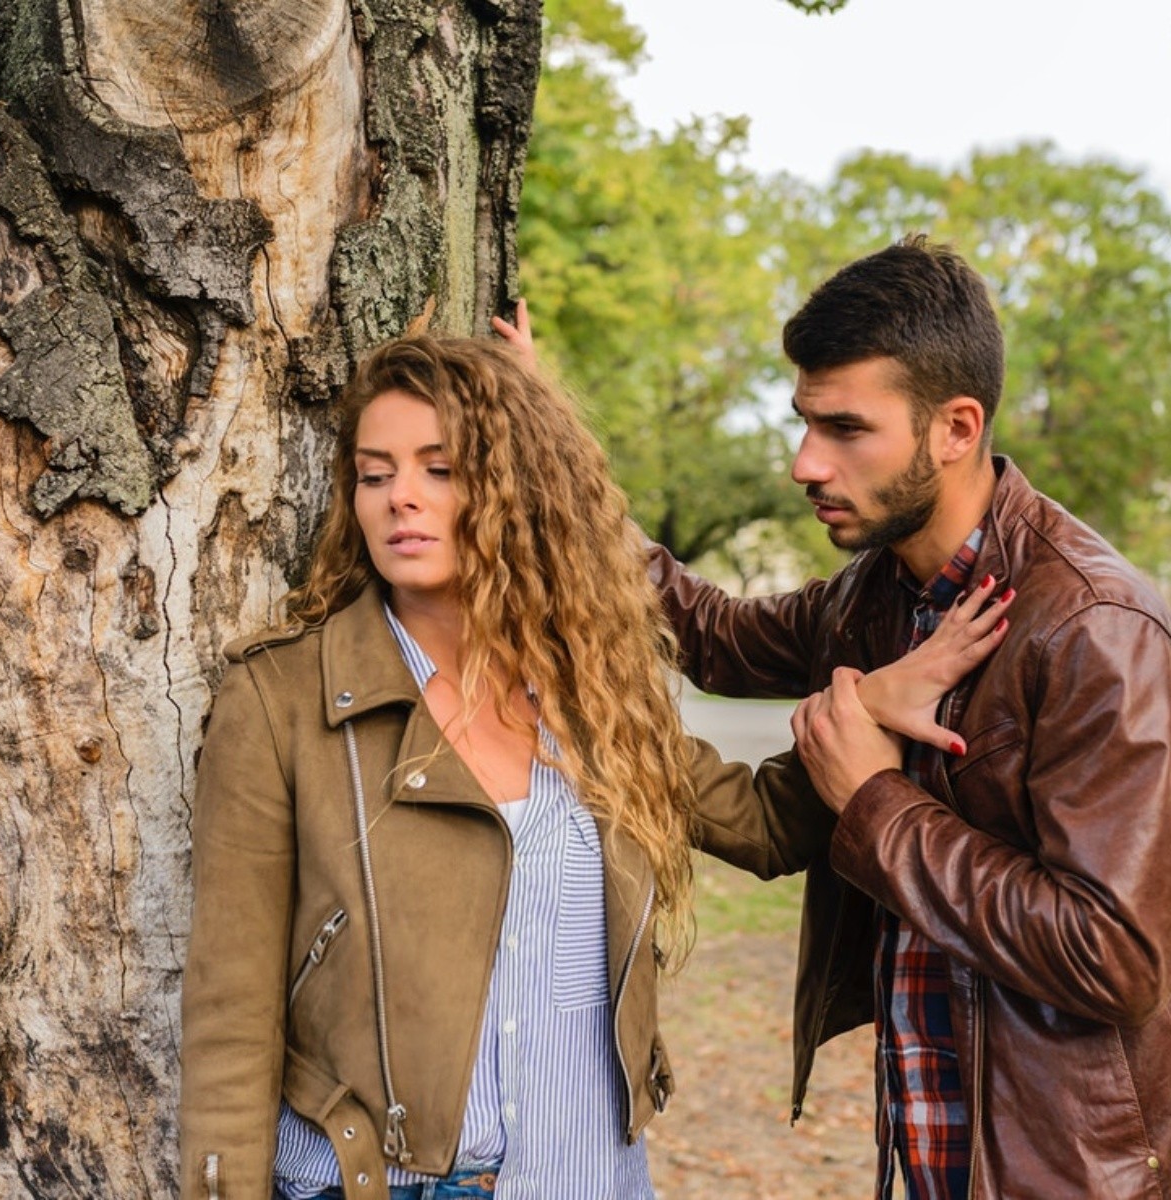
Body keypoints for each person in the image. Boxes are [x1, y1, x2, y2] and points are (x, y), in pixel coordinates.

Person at [178, 331, 1007, 1200]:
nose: (400, 500)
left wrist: (870, 706)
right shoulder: (281, 698)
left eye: (441, 468)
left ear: (514, 488)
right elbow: (231, 1012)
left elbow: (766, 826)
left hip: (590, 1177)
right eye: (374, 473)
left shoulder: (591, 694)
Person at [644, 235, 1171, 1198]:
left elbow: (1115, 960)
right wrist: (546, 458)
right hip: (932, 1147)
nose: (806, 462)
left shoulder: (1096, 629)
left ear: (956, 427)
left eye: (847, 429)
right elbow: (709, 635)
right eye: (805, 422)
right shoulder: (869, 598)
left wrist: (874, 802)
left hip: (1066, 1173)